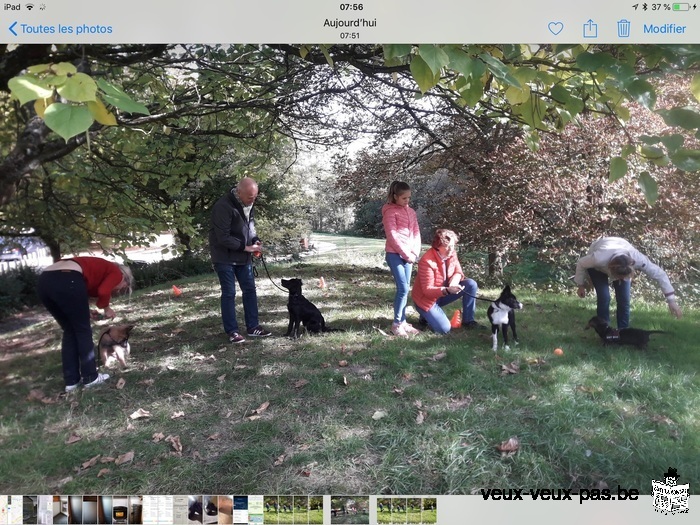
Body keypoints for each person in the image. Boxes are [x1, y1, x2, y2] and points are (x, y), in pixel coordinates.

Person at [37, 256, 134, 392]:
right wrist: (106, 308)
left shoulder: (98, 270)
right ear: (125, 277)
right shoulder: (117, 273)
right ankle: (90, 377)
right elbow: (103, 291)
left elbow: (75, 294)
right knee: (83, 331)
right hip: (67, 278)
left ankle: (72, 382)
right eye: (123, 287)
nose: (117, 290)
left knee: (70, 330)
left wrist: (86, 310)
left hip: (44, 281)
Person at [209, 176, 272, 343]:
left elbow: (250, 226)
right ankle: (232, 331)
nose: (253, 199)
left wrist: (255, 241)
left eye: (255, 196)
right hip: (224, 257)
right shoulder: (223, 206)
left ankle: (253, 327)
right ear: (239, 192)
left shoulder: (248, 204)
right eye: (250, 197)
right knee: (229, 293)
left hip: (243, 257)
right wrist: (246, 247)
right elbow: (223, 237)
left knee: (250, 290)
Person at [574, 236, 682, 329]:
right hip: (597, 265)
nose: (622, 280)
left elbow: (660, 274)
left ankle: (623, 331)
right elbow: (581, 263)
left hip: (620, 248)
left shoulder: (638, 259)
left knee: (624, 300)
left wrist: (671, 300)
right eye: (620, 277)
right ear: (612, 271)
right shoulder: (597, 259)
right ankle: (604, 330)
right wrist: (581, 285)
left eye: (625, 277)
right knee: (604, 297)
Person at [411, 229, 482, 334]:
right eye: (447, 247)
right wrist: (447, 290)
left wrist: (454, 281)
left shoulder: (452, 253)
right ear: (438, 246)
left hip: (442, 294)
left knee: (471, 284)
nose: (451, 249)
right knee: (444, 329)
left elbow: (458, 271)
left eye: (453, 246)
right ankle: (425, 316)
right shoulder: (427, 261)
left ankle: (468, 321)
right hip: (425, 300)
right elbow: (427, 290)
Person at [382, 180, 422, 337]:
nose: (407, 201)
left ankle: (403, 322)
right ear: (395, 196)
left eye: (409, 198)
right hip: (394, 255)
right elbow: (392, 236)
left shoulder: (411, 212)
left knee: (405, 290)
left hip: (409, 256)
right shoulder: (390, 212)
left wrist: (415, 253)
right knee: (403, 288)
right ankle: (397, 324)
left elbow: (416, 232)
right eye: (404, 198)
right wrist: (406, 254)